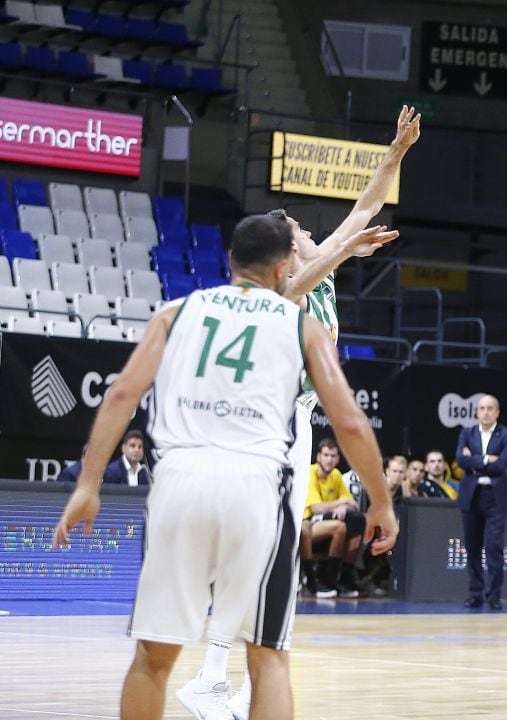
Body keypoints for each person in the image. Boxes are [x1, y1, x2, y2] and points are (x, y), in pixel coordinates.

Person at [51, 214, 397, 720]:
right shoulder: (300, 323)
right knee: (269, 659)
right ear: (284, 268)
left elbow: (122, 393)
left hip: (180, 488)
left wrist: (87, 484)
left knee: (151, 658)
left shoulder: (176, 312)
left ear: (231, 259)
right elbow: (347, 419)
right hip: (257, 490)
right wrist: (381, 500)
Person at [179, 105, 420, 720]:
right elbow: (337, 245)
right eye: (301, 231)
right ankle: (224, 684)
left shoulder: (322, 275)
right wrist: (346, 247)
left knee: (265, 558)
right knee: (266, 557)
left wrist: (395, 152)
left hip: (288, 425)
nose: (318, 232)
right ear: (288, 248)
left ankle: (216, 681)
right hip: (265, 429)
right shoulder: (289, 283)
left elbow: (364, 208)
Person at [455, 394, 507, 610]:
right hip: (472, 495)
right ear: (476, 412)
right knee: (472, 547)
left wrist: (475, 460)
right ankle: (475, 593)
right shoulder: (467, 432)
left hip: (496, 497)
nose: (485, 412)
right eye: (481, 408)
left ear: (497, 412)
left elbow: (503, 464)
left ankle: (494, 595)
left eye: (490, 408)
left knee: (493, 546)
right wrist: (486, 459)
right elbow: (460, 460)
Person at [304, 438, 365, 597]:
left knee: (357, 522)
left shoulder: (336, 475)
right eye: (326, 455)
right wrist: (341, 502)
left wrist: (344, 506)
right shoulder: (310, 472)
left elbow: (354, 504)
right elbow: (316, 508)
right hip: (306, 524)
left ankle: (344, 577)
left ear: (338, 459)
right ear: (318, 457)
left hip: (325, 520)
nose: (329, 460)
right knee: (340, 526)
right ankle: (324, 578)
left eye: (333, 456)